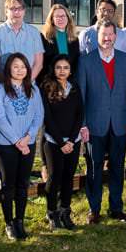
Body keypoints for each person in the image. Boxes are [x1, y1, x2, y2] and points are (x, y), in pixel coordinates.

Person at [77, 21, 126, 223]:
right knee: (94, 168)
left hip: (120, 123)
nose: (107, 38)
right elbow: (82, 96)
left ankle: (116, 207)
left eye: (111, 34)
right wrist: (83, 124)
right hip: (95, 125)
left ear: (116, 36)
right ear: (97, 36)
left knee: (118, 166)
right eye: (103, 34)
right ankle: (94, 210)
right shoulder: (86, 61)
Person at [0, 53, 44, 240]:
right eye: (16, 66)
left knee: (23, 184)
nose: (20, 70)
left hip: (28, 144)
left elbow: (39, 116)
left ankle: (19, 221)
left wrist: (28, 137)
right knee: (8, 185)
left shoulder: (34, 90)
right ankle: (8, 223)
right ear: (8, 69)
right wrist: (17, 141)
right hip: (6, 145)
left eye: (23, 66)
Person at [40, 54, 84, 230]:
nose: (62, 70)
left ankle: (65, 210)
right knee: (54, 177)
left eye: (65, 67)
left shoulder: (75, 88)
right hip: (53, 141)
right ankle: (52, 213)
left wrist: (72, 141)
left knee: (68, 177)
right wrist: (61, 142)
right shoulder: (46, 88)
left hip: (73, 141)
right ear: (53, 69)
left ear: (70, 70)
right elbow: (48, 119)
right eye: (59, 67)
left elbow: (80, 114)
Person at [0, 0, 45, 80]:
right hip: (3, 86)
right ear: (6, 11)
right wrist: (7, 84)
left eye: (20, 8)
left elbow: (38, 64)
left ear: (24, 11)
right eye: (13, 9)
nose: (17, 12)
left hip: (28, 87)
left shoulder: (34, 33)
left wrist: (26, 83)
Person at [40, 3, 80, 83]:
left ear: (68, 18)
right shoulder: (43, 38)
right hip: (49, 82)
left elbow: (75, 64)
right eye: (57, 16)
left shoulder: (74, 39)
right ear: (52, 19)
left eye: (63, 16)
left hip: (69, 82)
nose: (60, 19)